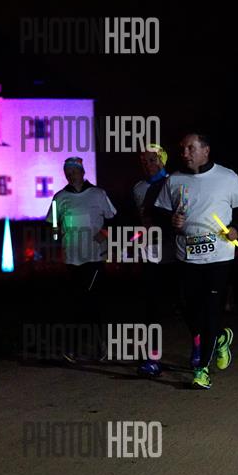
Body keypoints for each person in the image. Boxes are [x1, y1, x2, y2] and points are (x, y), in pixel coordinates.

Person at [155, 132, 238, 389]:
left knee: (210, 309)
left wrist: (237, 228)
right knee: (189, 309)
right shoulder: (174, 180)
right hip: (186, 256)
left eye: (191, 148)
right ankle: (219, 338)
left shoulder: (227, 177)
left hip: (218, 255)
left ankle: (201, 369)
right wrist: (170, 220)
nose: (184, 153)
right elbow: (159, 212)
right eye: (182, 149)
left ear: (206, 150)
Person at [46, 157, 116, 362]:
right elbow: (52, 224)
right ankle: (76, 348)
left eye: (74, 171)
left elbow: (114, 219)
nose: (71, 175)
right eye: (67, 172)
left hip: (94, 257)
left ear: (83, 172)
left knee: (91, 301)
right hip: (71, 258)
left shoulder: (98, 194)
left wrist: (103, 234)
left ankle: (98, 345)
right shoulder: (59, 198)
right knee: (75, 303)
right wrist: (56, 236)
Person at [132, 144, 173, 378]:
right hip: (150, 253)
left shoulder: (175, 183)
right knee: (151, 307)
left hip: (175, 254)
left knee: (185, 305)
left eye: (152, 159)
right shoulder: (138, 188)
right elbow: (136, 218)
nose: (147, 164)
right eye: (143, 161)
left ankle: (200, 351)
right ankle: (152, 357)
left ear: (162, 160)